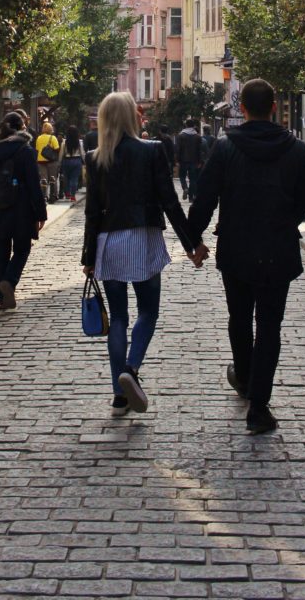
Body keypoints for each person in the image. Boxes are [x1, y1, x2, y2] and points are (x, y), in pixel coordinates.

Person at [188, 79, 305, 434]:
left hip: (237, 248)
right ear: (274, 106)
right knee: (270, 327)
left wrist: (192, 239)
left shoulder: (226, 148)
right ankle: (258, 405)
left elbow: (205, 197)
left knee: (239, 318)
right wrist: (285, 222)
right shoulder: (295, 149)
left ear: (241, 108)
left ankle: (244, 377)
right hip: (277, 248)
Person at [82, 91, 207, 416]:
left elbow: (92, 213)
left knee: (119, 318)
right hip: (143, 238)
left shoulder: (95, 158)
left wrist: (88, 257)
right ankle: (132, 369)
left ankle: (119, 394)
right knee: (148, 311)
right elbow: (169, 201)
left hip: (109, 242)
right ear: (131, 117)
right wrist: (192, 243)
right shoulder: (151, 151)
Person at [0, 112, 46, 311]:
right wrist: (41, 213)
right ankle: (10, 280)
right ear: (22, 127)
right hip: (21, 209)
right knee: (23, 249)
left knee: (2, 251)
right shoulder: (25, 151)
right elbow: (34, 184)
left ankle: (2, 296)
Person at [176, 118, 205, 202]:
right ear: (194, 126)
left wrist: (177, 160)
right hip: (194, 161)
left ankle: (185, 188)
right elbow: (200, 150)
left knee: (182, 176)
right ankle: (191, 197)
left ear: (186, 125)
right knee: (193, 179)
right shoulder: (198, 136)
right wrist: (200, 161)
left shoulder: (181, 135)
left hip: (183, 160)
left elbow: (178, 149)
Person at [35, 121, 60, 203]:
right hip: (51, 160)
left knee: (43, 179)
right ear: (51, 129)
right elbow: (57, 148)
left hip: (40, 160)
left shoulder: (39, 138)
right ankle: (53, 195)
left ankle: (44, 196)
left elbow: (38, 149)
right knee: (53, 178)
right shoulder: (53, 138)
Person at [59, 125, 85, 201]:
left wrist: (59, 163)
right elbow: (82, 153)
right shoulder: (79, 142)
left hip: (66, 161)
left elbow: (61, 153)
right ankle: (73, 195)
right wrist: (84, 161)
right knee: (74, 178)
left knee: (66, 178)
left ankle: (67, 194)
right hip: (76, 161)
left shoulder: (64, 142)